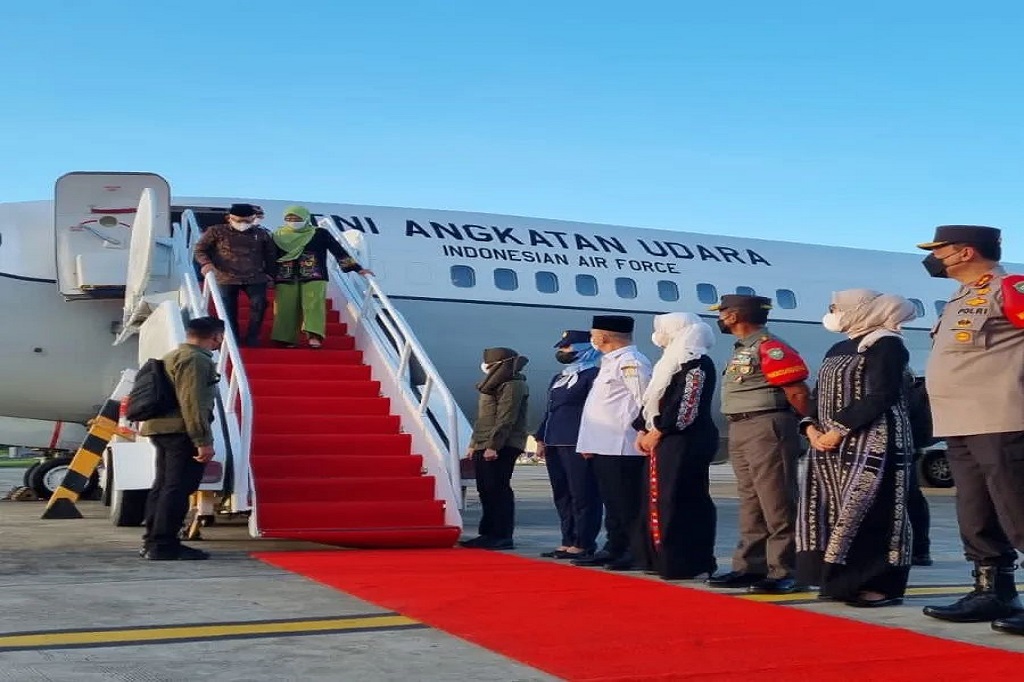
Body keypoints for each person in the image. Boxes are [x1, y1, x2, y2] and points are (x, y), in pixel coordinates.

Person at [915, 225, 1024, 631]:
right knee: (975, 512)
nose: (934, 258)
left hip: (1001, 416)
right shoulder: (961, 296)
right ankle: (992, 591)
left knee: (1018, 507)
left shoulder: (1010, 286)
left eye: (939, 250)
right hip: (959, 422)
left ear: (964, 252)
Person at [797, 290, 916, 607]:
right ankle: (839, 581)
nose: (832, 312)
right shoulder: (839, 346)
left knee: (873, 511)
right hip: (829, 446)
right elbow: (817, 392)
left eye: (836, 308)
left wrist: (838, 429)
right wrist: (809, 427)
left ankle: (878, 585)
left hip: (873, 440)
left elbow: (883, 394)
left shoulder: (886, 343)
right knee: (832, 511)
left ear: (859, 310)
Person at [707, 294, 812, 595]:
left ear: (735, 315)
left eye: (723, 312)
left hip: (766, 425)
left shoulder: (770, 347)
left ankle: (785, 569)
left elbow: (797, 392)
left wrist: (808, 423)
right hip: (741, 426)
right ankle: (749, 566)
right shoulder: (744, 348)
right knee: (751, 500)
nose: (720, 317)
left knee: (776, 499)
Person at [632, 313, 720, 580]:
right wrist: (642, 429)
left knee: (678, 499)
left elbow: (686, 407)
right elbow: (652, 399)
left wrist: (657, 430)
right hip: (663, 438)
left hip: (683, 440)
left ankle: (683, 561)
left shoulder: (696, 362)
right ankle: (657, 557)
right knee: (656, 499)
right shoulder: (669, 363)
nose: (659, 334)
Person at [138, 316, 224, 560]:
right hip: (180, 432)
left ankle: (153, 540)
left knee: (163, 486)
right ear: (216, 336)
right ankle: (164, 544)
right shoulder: (196, 360)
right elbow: (193, 403)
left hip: (161, 429)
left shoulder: (173, 356)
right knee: (177, 488)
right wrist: (202, 441)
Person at [572, 315, 652, 571]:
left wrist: (645, 432)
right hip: (604, 446)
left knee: (626, 504)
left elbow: (645, 402)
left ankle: (632, 550)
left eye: (594, 333)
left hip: (623, 446)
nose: (592, 338)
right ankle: (614, 547)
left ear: (605, 336)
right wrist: (588, 443)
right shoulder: (609, 363)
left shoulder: (632, 363)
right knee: (613, 504)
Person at [535, 330, 604, 560]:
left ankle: (584, 542)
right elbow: (551, 409)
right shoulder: (560, 377)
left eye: (567, 348)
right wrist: (541, 437)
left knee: (583, 494)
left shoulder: (593, 375)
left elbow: (594, 411)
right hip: (555, 440)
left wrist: (591, 441)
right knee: (562, 494)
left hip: (577, 441)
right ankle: (567, 539)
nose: (562, 352)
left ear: (584, 348)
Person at [270, 205, 373, 349]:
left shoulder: (319, 233)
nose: (293, 221)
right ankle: (285, 338)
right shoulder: (278, 235)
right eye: (289, 218)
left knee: (313, 306)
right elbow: (270, 256)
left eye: (297, 218)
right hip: (285, 275)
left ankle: (314, 336)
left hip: (314, 274)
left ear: (306, 218)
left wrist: (357, 268)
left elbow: (338, 251)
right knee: (285, 306)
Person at [461, 347, 530, 550]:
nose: (487, 368)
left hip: (502, 445)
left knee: (498, 489)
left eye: (491, 365)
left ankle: (502, 535)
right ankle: (487, 533)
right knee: (485, 489)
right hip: (484, 443)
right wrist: (475, 444)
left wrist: (493, 445)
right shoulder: (491, 384)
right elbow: (483, 419)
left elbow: (506, 417)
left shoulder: (513, 384)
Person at [193, 203, 277, 347]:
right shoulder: (216, 231)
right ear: (230, 218)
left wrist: (271, 274)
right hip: (225, 276)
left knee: (260, 304)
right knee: (228, 308)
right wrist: (206, 264)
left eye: (247, 221)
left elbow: (270, 255)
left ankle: (253, 336)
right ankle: (233, 338)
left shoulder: (261, 234)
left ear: (253, 219)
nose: (243, 224)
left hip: (255, 276)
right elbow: (200, 249)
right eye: (239, 221)